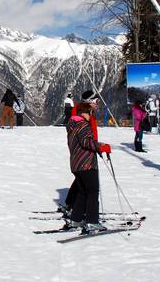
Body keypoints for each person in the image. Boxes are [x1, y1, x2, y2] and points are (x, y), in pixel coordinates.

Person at [65, 93, 111, 233]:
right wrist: (101, 146)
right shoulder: (82, 124)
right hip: (86, 162)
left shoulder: (73, 123)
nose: (91, 115)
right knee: (92, 192)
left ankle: (76, 219)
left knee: (83, 192)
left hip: (76, 162)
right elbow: (86, 141)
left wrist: (97, 145)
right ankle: (92, 222)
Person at [60, 90, 100, 214]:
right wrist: (97, 146)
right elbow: (83, 135)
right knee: (86, 184)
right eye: (96, 101)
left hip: (85, 151)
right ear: (90, 102)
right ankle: (73, 206)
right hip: (84, 152)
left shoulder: (88, 113)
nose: (98, 104)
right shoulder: (82, 114)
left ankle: (72, 207)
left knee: (81, 182)